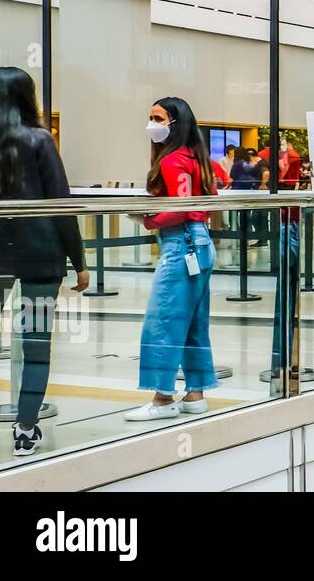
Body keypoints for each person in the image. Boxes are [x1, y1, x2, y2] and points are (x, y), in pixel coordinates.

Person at [0, 67, 88, 457]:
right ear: (28, 98)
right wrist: (79, 260)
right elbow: (61, 206)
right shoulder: (39, 140)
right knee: (36, 344)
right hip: (40, 256)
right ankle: (25, 428)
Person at [125, 96, 219, 421]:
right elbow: (205, 201)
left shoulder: (172, 160)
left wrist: (147, 219)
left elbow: (178, 207)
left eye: (158, 118)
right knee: (194, 323)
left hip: (180, 246)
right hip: (202, 243)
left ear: (175, 123)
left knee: (162, 320)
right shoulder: (197, 157)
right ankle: (196, 393)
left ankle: (163, 398)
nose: (151, 123)